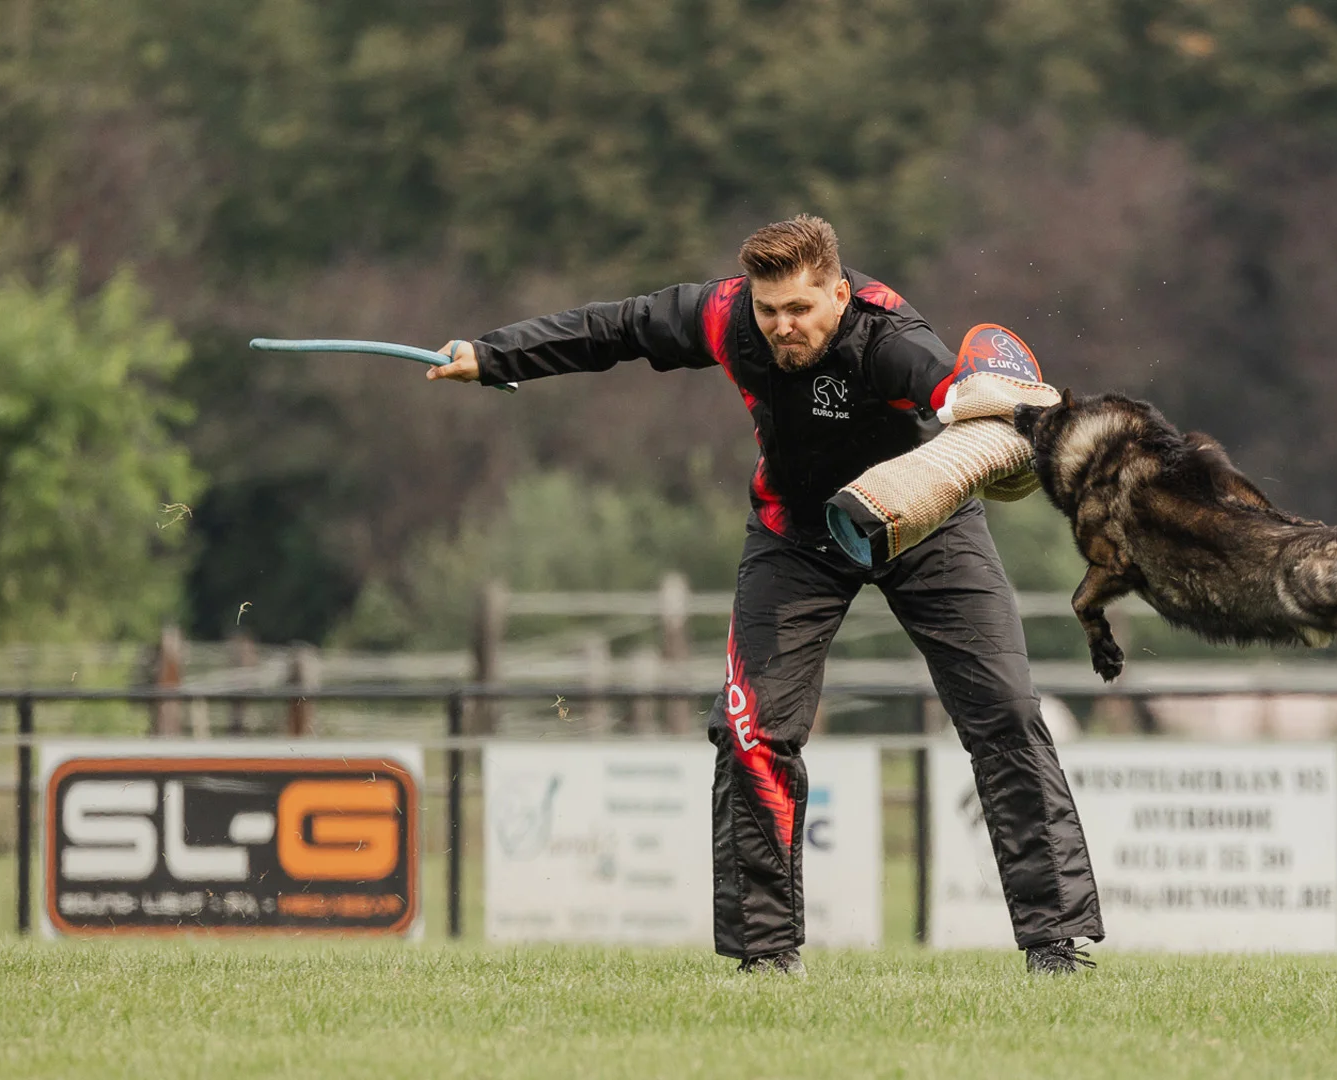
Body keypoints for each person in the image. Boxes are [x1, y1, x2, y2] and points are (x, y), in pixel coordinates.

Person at [428, 215, 1103, 974]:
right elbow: (611, 329)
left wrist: (1021, 421)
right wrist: (491, 354)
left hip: (924, 525)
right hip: (796, 536)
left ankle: (1055, 943)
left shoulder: (890, 338)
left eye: (801, 310)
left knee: (1006, 712)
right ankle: (765, 956)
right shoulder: (724, 315)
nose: (783, 326)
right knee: (749, 732)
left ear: (839, 295)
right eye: (770, 309)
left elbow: (957, 391)